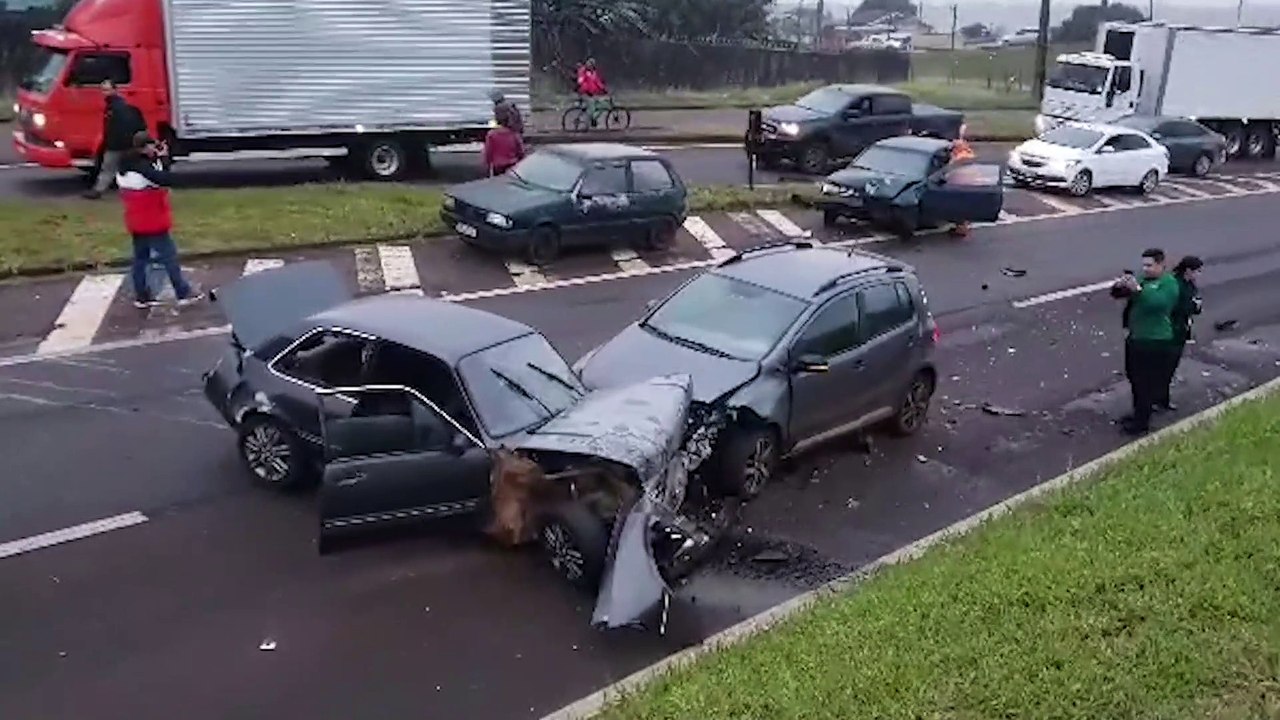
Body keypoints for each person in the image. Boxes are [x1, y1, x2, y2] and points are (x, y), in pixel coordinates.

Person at [116, 131, 202, 308]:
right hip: (153, 220)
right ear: (145, 147)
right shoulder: (144, 169)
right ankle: (183, 292)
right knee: (169, 256)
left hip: (135, 220)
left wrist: (159, 159)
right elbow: (164, 179)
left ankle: (142, 295)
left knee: (140, 258)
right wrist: (164, 159)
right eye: (152, 146)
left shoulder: (124, 167)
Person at [1110, 248, 1179, 435]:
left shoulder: (1168, 283)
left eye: (1149, 265)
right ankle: (1139, 413)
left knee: (1145, 382)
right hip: (1136, 338)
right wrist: (1120, 285)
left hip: (1155, 340)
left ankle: (1142, 423)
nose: (1145, 269)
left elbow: (1159, 304)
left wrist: (1139, 291)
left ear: (1160, 264)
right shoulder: (1142, 279)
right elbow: (1118, 295)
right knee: (1134, 378)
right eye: (1144, 265)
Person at [1155, 255, 1204, 411]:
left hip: (1180, 330)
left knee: (1169, 368)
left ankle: (1162, 399)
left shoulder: (1188, 284)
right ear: (1188, 270)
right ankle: (1157, 399)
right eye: (1197, 271)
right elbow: (1177, 308)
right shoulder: (1176, 285)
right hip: (1171, 332)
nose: (1199, 274)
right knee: (1164, 367)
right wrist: (1194, 306)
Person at [85, 79, 147, 199]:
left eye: (107, 89)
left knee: (108, 168)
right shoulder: (123, 106)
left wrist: (110, 142)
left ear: (114, 90)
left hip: (116, 145)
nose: (105, 92)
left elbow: (113, 128)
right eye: (103, 90)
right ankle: (138, 189)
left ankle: (97, 191)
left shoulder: (113, 108)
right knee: (131, 168)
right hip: (128, 143)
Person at [948, 124, 976, 237]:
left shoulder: (961, 155)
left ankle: (961, 228)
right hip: (967, 182)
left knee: (960, 207)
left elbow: (953, 166)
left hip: (962, 183)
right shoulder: (967, 151)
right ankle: (962, 225)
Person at [482, 106, 525, 176]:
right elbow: (521, 152)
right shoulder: (514, 134)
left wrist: (487, 166)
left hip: (498, 167)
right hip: (513, 166)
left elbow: (488, 153)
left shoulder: (492, 134)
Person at [575, 58, 609, 127]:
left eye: (591, 64)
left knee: (601, 105)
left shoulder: (593, 73)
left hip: (591, 94)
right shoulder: (583, 71)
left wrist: (603, 89)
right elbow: (580, 81)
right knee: (591, 106)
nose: (589, 65)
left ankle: (593, 119)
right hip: (584, 93)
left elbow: (598, 82)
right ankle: (588, 121)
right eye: (588, 63)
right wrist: (583, 86)